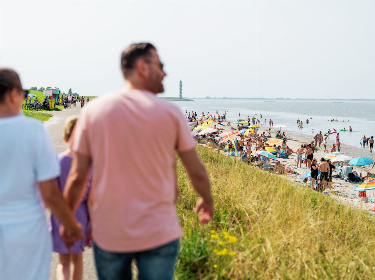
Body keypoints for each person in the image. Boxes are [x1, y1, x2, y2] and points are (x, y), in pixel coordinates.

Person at [63, 43, 214, 280]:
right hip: (159, 232)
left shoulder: (93, 111)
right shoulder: (170, 113)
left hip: (110, 232)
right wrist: (207, 199)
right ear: (142, 67)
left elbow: (77, 175)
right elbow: (197, 172)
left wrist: (68, 219)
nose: (165, 72)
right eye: (160, 66)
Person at [0, 68, 82, 279]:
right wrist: (71, 225)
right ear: (12, 95)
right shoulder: (34, 131)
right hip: (27, 229)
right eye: (23, 93)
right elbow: (50, 193)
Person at [50, 116, 92, 280]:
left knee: (63, 262)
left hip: (60, 214)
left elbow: (50, 191)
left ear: (65, 138)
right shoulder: (89, 163)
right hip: (81, 214)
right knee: (77, 258)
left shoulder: (57, 160)